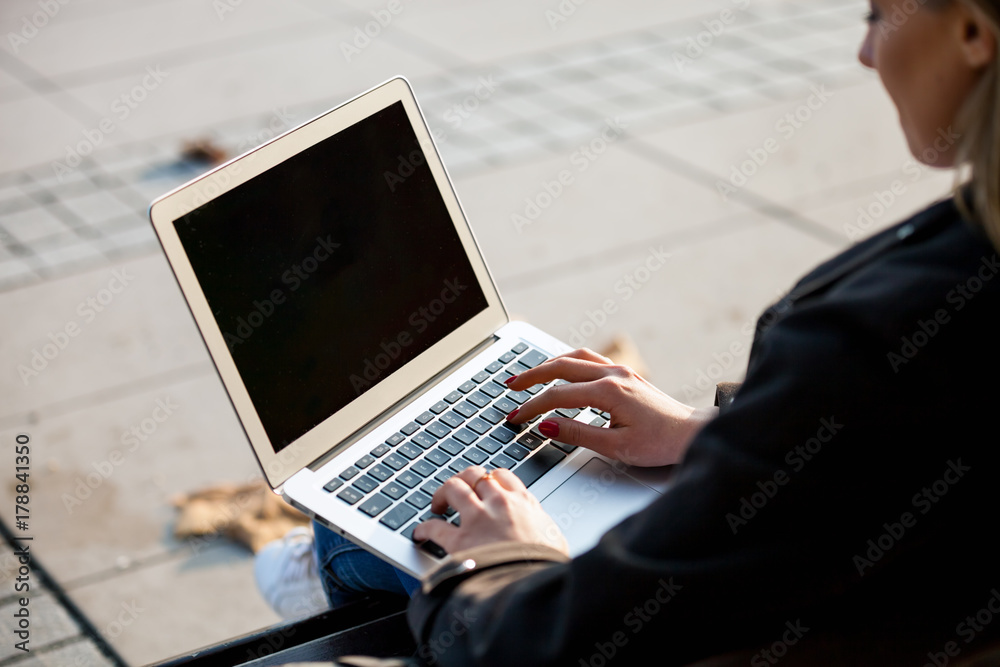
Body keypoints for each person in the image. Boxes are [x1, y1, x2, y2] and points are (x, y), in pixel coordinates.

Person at [257, 1, 1000, 663]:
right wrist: (724, 435)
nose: (866, 51)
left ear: (971, 30)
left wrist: (506, 563)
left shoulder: (881, 335)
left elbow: (552, 645)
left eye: (875, 13)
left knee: (371, 532)